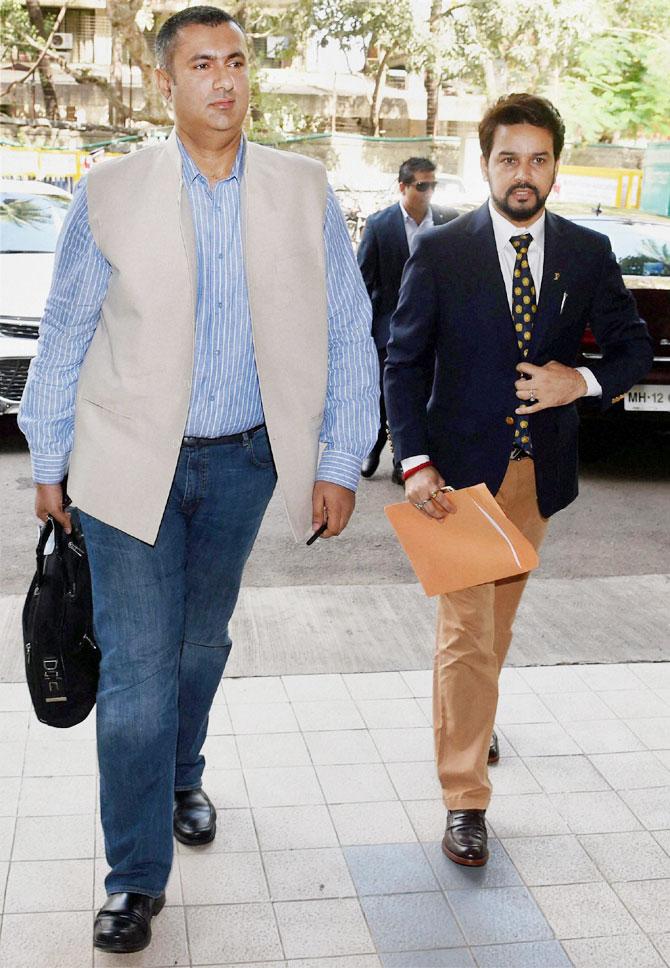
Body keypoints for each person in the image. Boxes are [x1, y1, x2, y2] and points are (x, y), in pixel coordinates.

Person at [18, 6, 378, 954]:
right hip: (125, 460)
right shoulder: (111, 192)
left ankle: (183, 770)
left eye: (238, 62)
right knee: (137, 670)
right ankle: (135, 877)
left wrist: (341, 460)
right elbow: (64, 335)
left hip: (246, 460)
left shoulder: (303, 190)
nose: (225, 80)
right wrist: (48, 458)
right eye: (202, 65)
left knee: (199, 644)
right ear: (166, 86)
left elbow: (349, 332)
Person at [384, 93, 652, 868]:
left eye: (538, 159)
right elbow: (403, 363)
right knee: (466, 634)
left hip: (540, 477)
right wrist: (413, 461)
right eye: (509, 158)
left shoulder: (588, 252)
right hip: (457, 479)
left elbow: (631, 349)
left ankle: (473, 713)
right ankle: (465, 800)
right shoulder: (440, 252)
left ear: (557, 168)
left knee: (492, 631)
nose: (523, 173)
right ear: (485, 164)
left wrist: (583, 382)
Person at [357, 158, 458, 483]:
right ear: (403, 187)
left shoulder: (449, 221)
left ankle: (408, 458)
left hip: (438, 327)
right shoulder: (379, 224)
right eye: (421, 185)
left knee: (426, 393)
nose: (428, 192)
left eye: (433, 185)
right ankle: (376, 444)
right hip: (391, 326)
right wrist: (364, 329)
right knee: (389, 392)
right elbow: (363, 280)